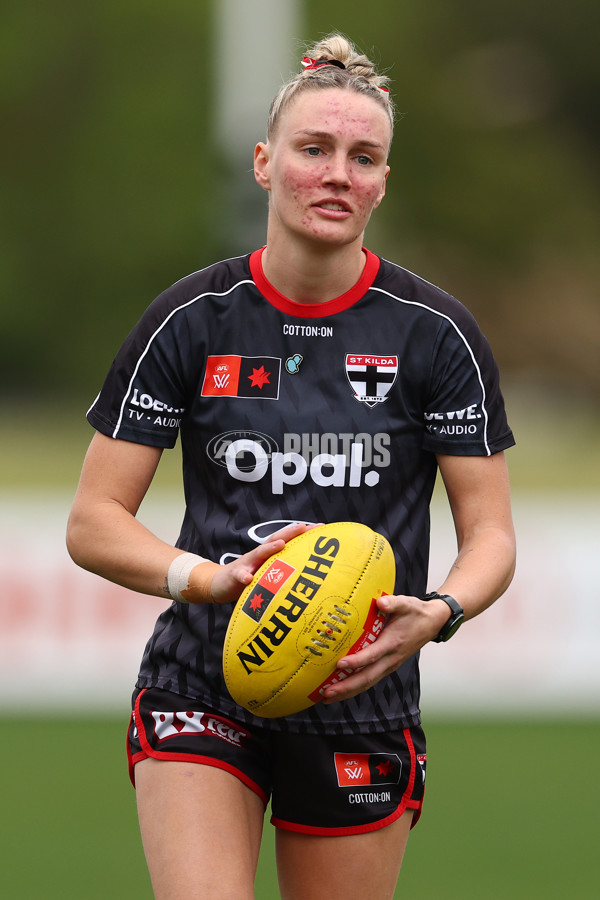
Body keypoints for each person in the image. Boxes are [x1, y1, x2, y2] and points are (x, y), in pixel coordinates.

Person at [67, 33, 516, 900]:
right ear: (265, 163)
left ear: (383, 180)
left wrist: (441, 611)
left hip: (362, 697)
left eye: (363, 158)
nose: (338, 174)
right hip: (203, 682)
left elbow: (491, 534)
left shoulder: (436, 334)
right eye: (314, 149)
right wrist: (208, 581)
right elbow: (93, 523)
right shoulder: (190, 320)